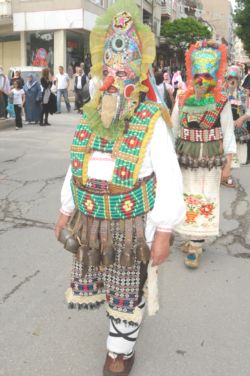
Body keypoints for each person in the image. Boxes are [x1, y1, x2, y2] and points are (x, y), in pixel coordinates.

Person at [55, 2, 185, 375]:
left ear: (138, 75)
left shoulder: (150, 121)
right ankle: (119, 336)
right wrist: (65, 211)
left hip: (133, 224)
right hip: (90, 221)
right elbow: (74, 166)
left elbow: (170, 178)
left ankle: (119, 351)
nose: (113, 80)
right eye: (108, 71)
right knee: (105, 279)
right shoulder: (91, 116)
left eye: (122, 72)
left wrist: (163, 232)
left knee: (128, 285)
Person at [172, 40, 236, 269]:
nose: (201, 81)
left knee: (205, 198)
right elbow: (174, 129)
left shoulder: (222, 101)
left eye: (206, 76)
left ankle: (196, 245)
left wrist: (228, 165)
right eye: (197, 75)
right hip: (185, 158)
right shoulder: (181, 98)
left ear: (214, 75)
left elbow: (228, 132)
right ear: (192, 74)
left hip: (211, 161)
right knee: (185, 197)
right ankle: (189, 238)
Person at [222, 65, 248, 186]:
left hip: (238, 129)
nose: (232, 81)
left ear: (238, 79)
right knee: (225, 153)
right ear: (226, 79)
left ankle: (227, 175)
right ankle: (225, 176)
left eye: (235, 78)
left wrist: (242, 118)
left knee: (236, 156)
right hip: (224, 130)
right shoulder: (221, 94)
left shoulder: (244, 93)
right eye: (230, 78)